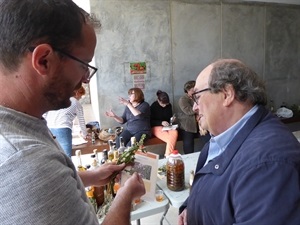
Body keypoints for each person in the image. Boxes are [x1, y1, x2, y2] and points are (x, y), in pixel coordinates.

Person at [0, 1, 145, 225]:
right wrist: (125, 196)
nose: (86, 78)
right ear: (43, 60)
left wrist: (89, 177)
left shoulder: (21, 127)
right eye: (84, 64)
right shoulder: (27, 162)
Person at [179, 59, 300, 225]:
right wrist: (190, 208)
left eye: (197, 97)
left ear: (227, 94)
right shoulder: (223, 137)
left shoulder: (268, 164)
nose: (195, 107)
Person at [44, 86, 88, 157]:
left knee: (56, 155)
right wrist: (85, 134)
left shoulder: (61, 99)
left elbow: (46, 114)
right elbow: (81, 121)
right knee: (67, 157)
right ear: (77, 93)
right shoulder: (76, 103)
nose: (80, 98)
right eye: (81, 95)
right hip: (63, 128)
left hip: (50, 128)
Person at [177, 81, 210, 154]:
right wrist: (199, 111)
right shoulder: (183, 100)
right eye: (193, 90)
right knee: (188, 146)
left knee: (207, 141)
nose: (195, 91)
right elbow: (188, 111)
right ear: (187, 91)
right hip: (188, 126)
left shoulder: (198, 96)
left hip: (200, 125)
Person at [150, 90, 178, 157]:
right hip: (156, 126)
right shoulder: (153, 106)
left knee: (175, 132)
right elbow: (150, 121)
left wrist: (172, 119)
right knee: (170, 138)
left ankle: (168, 155)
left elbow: (169, 117)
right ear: (158, 100)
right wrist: (161, 122)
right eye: (163, 104)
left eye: (166, 104)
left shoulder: (169, 105)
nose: (164, 106)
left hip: (167, 126)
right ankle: (168, 155)